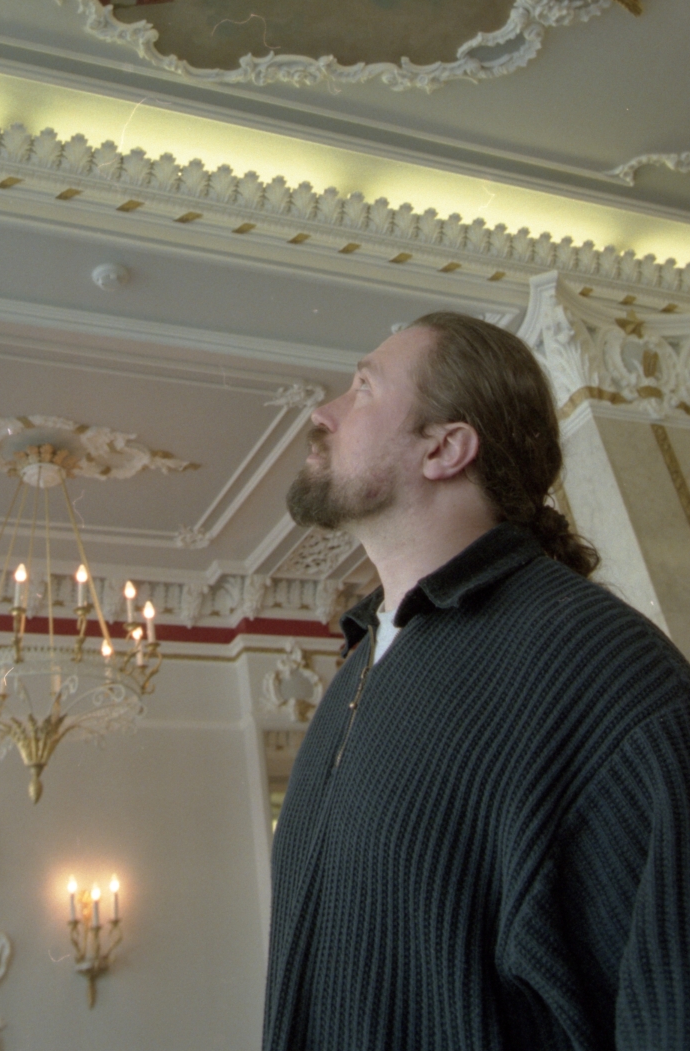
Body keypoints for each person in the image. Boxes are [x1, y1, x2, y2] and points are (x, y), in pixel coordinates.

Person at [265, 312, 690, 1051]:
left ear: (444, 447)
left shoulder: (606, 672)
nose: (322, 412)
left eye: (362, 388)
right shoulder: (358, 667)